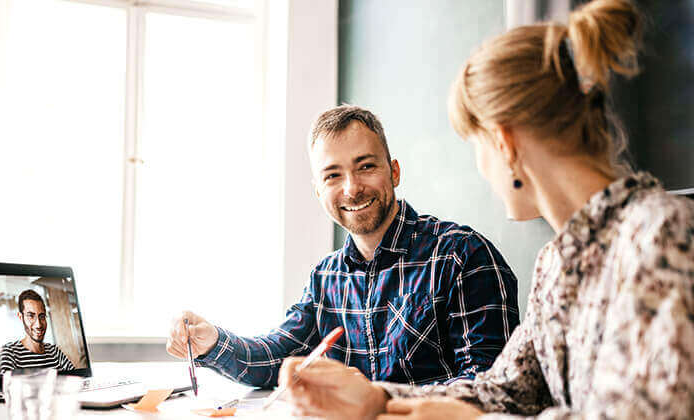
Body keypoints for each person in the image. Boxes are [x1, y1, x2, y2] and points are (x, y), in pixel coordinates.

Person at [279, 0, 694, 419]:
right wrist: (380, 399)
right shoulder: (556, 263)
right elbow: (508, 390)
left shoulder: (660, 233)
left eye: (475, 146)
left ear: (503, 143)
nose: (481, 168)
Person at [166, 105, 520, 388]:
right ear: (318, 191)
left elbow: (489, 387)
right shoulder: (325, 278)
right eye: (332, 175)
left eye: (365, 167)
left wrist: (376, 400)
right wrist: (212, 342)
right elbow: (275, 359)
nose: (351, 188)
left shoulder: (462, 256)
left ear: (394, 172)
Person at [0, 289, 75, 375]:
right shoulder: (10, 353)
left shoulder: (55, 352)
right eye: (31, 316)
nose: (38, 325)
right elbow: (6, 387)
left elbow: (78, 380)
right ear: (21, 317)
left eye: (41, 316)